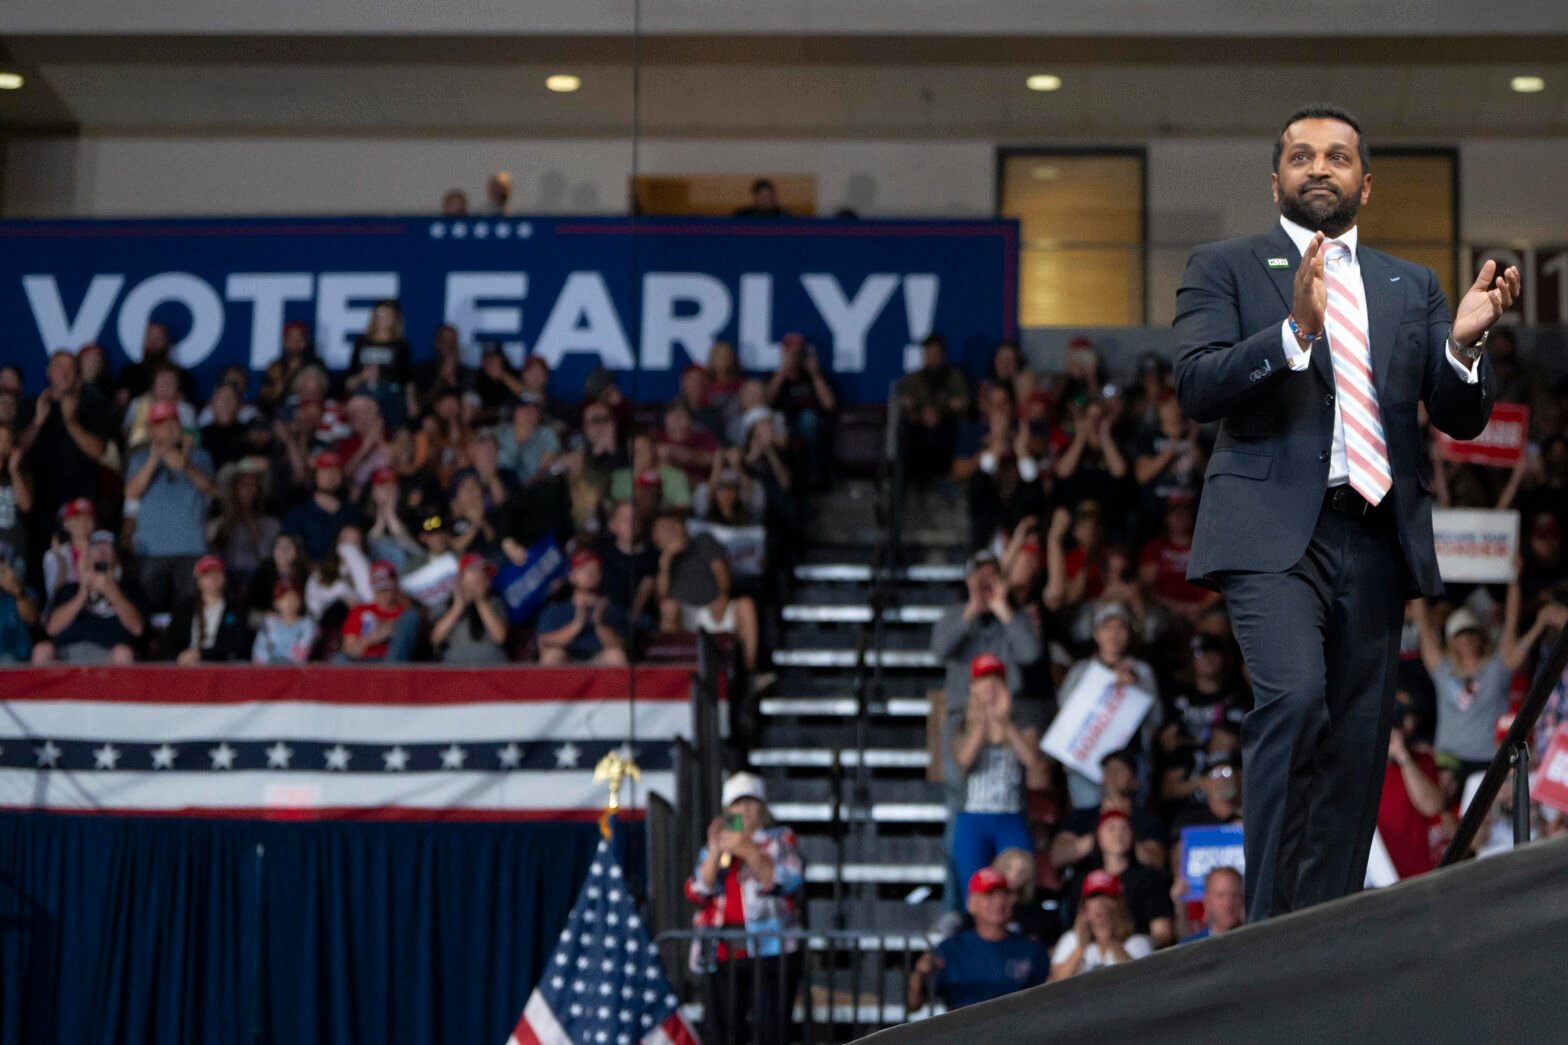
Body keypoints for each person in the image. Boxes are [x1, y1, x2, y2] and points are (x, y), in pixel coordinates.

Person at [1171, 103, 1516, 923]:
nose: (1318, 167)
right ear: (1276, 179)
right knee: (1293, 700)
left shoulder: (1414, 285)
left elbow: (1461, 417)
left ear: (1366, 182)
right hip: (1270, 536)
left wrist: (1463, 348)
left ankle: (1316, 936)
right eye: (1300, 156)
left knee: (1359, 743)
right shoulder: (1224, 264)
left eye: (1336, 156)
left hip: (1375, 537)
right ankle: (1264, 928)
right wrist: (1294, 328)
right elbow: (1196, 384)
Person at [685, 772, 803, 1045]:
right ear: (728, 810)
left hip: (770, 948)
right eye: (738, 805)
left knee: (770, 1027)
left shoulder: (779, 840)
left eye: (751, 804)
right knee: (723, 1030)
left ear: (762, 808)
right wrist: (715, 851)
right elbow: (697, 890)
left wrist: (750, 851)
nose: (745, 811)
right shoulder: (718, 845)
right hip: (721, 949)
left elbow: (788, 881)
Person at [1411, 584, 1561, 779]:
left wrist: (1514, 579)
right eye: (1460, 633)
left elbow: (1511, 625)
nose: (1467, 638)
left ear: (1482, 636)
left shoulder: (1497, 667)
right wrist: (1415, 581)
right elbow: (1423, 627)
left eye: (1472, 631)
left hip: (1489, 760)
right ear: (1451, 640)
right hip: (1448, 760)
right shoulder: (1442, 669)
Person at [951, 654, 1048, 890]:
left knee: (1020, 879)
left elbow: (1032, 763)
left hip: (1011, 815)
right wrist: (981, 724)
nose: (990, 688)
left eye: (996, 681)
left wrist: (1006, 724)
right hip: (973, 815)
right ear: (973, 687)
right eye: (984, 681)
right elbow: (964, 761)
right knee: (974, 887)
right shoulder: (960, 725)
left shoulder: (1022, 723)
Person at [908, 868, 1049, 1014]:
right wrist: (919, 975)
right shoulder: (951, 949)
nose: (999, 901)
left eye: (1004, 894)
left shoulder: (1031, 949)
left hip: (1016, 1028)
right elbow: (913, 1004)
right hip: (962, 1030)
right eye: (990, 895)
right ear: (972, 903)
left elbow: (1047, 1002)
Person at [124, 399, 215, 613]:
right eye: (161, 424)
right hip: (151, 550)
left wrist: (186, 466)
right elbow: (131, 493)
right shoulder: (139, 458)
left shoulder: (200, 456)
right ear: (151, 430)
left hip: (191, 548)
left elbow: (212, 489)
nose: (168, 428)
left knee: (191, 612)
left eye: (172, 423)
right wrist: (155, 458)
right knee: (149, 610)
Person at [653, 512, 760, 673]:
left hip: (713, 609)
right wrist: (667, 559)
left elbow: (721, 570)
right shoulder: (660, 559)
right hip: (685, 617)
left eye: (673, 526)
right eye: (664, 529)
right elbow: (662, 597)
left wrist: (723, 595)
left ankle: (750, 673)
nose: (671, 532)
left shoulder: (703, 540)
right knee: (668, 607)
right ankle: (671, 674)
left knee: (746, 605)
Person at [1058, 810, 1175, 948]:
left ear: (1133, 836)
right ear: (1098, 837)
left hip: (1137, 953)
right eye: (1111, 829)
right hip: (1091, 952)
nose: (1118, 834)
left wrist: (1134, 947)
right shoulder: (1082, 881)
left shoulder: (1149, 878)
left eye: (1124, 828)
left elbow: (1162, 933)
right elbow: (1076, 930)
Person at [31, 531, 145, 665]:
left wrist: (111, 591)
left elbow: (137, 629)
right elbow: (51, 629)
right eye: (96, 548)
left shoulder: (129, 589)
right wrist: (83, 593)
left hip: (109, 656)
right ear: (87, 555)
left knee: (123, 653)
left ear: (116, 555)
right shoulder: (69, 589)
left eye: (107, 548)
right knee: (42, 650)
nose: (102, 553)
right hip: (67, 655)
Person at [1050, 749, 1168, 875]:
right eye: (1107, 770)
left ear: (1135, 782)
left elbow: (1157, 861)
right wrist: (1099, 836)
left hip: (1135, 886)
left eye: (1119, 770)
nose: (1112, 775)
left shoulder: (1147, 820)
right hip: (1088, 886)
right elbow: (1057, 857)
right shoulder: (1081, 816)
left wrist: (1123, 839)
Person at [1047, 870, 1154, 980]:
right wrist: (1080, 948)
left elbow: (1139, 982)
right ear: (1084, 905)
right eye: (1094, 896)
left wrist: (1111, 941)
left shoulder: (1138, 942)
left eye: (1107, 896)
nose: (1100, 903)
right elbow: (1054, 983)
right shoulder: (1071, 940)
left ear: (1120, 904)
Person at [534, 549, 629, 666]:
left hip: (599, 660)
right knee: (552, 656)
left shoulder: (611, 609)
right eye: (583, 569)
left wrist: (599, 624)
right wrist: (577, 624)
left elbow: (621, 644)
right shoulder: (555, 609)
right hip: (567, 662)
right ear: (572, 576)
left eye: (594, 570)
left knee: (616, 655)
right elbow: (543, 642)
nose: (589, 574)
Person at [896, 334, 970, 484]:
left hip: (946, 425)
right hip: (918, 426)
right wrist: (918, 411)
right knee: (906, 433)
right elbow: (901, 398)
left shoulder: (954, 377)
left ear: (943, 355)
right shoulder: (913, 379)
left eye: (936, 354)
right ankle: (910, 484)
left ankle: (945, 480)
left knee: (954, 432)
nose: (932, 358)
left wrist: (944, 410)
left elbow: (964, 401)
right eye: (928, 354)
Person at [164, 556, 250, 663]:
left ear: (224, 578)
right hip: (187, 666)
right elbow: (169, 641)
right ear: (198, 581)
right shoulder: (184, 609)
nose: (213, 578)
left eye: (217, 573)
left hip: (221, 667)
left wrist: (201, 654)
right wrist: (180, 656)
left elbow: (238, 643)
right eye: (207, 574)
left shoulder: (235, 609)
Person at [431, 552, 510, 665]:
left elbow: (500, 637)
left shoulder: (495, 602)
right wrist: (458, 607)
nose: (479, 575)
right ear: (461, 576)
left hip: (491, 666)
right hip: (456, 667)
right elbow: (436, 638)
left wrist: (480, 600)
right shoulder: (447, 603)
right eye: (473, 570)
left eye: (483, 571)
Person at [336, 559, 419, 664]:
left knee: (411, 616)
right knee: (339, 659)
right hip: (363, 663)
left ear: (395, 589)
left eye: (389, 589)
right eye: (381, 590)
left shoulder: (405, 613)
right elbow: (349, 650)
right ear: (373, 590)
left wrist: (395, 628)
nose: (386, 595)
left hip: (392, 660)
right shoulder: (360, 611)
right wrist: (372, 637)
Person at [251, 580, 318, 665]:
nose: (289, 603)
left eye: (294, 599)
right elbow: (259, 651)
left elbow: (302, 653)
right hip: (268, 671)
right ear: (276, 603)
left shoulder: (308, 625)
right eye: (285, 599)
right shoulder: (269, 623)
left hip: (296, 671)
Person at [1180, 867, 1245, 943]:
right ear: (1207, 901)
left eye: (1234, 895)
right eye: (1220, 895)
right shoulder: (1189, 946)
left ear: (1242, 899)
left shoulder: (1256, 941)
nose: (1228, 904)